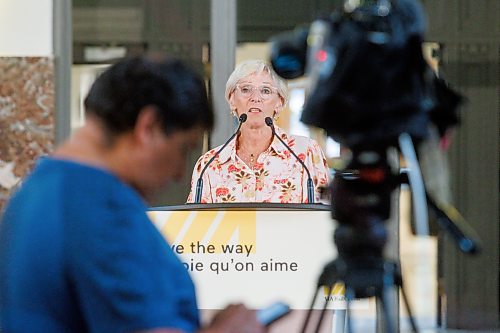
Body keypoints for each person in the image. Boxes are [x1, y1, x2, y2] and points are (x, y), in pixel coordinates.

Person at [0, 56, 265, 333]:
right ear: (148, 126)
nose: (178, 172)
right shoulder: (103, 209)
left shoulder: (34, 192)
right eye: (183, 149)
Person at [187, 60, 330, 203]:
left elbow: (324, 218)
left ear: (279, 103)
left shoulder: (306, 153)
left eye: (265, 91)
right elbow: (195, 223)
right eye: (246, 89)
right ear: (232, 100)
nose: (255, 98)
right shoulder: (209, 164)